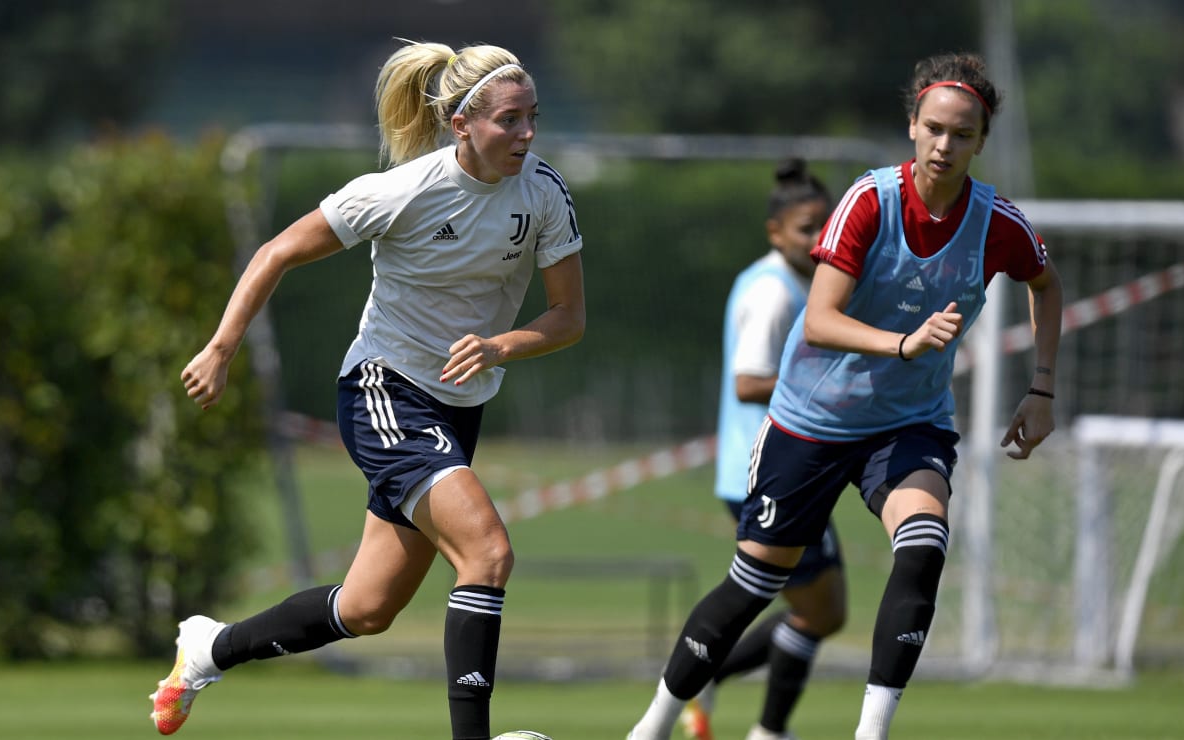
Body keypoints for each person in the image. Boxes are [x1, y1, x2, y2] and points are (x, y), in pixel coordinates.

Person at [149, 40, 585, 740]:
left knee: (367, 607)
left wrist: (503, 345)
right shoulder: (401, 190)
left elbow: (569, 318)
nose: (527, 133)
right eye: (510, 119)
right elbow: (277, 252)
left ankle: (209, 648)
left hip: (457, 408)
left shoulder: (543, 193)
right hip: (384, 388)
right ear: (461, 123)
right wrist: (221, 347)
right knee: (489, 553)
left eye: (533, 116)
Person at [629, 51, 1062, 740]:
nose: (946, 145)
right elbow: (822, 319)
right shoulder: (869, 201)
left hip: (908, 425)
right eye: (935, 128)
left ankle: (869, 734)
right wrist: (904, 343)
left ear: (982, 141)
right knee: (754, 585)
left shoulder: (996, 222)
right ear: (913, 125)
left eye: (964, 133)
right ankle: (651, 727)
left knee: (923, 545)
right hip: (810, 425)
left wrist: (1041, 387)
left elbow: (1044, 282)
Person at [680, 159, 847, 740]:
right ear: (776, 232)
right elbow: (749, 381)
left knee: (820, 609)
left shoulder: (791, 282)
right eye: (807, 228)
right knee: (819, 610)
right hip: (772, 475)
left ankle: (721, 686)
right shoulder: (775, 292)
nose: (821, 237)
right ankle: (743, 708)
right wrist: (839, 379)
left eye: (827, 225)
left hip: (780, 473)